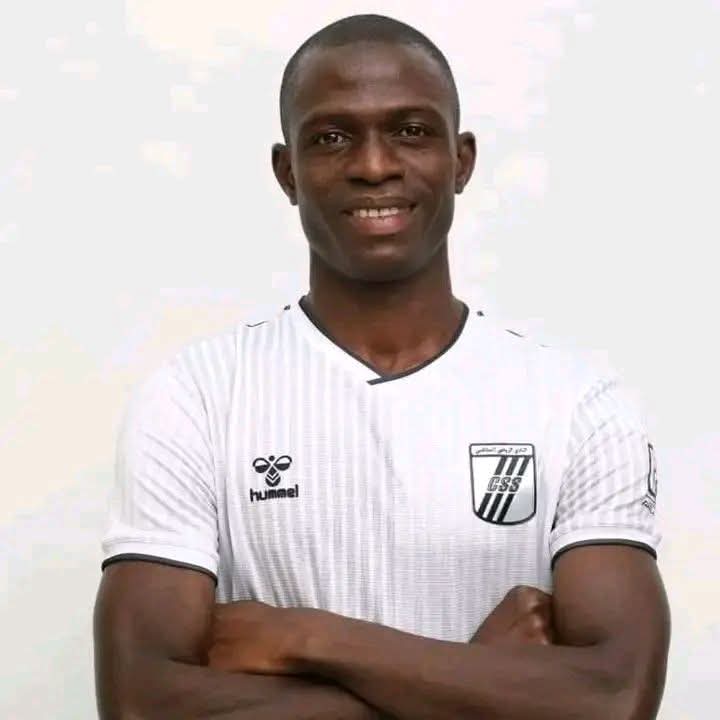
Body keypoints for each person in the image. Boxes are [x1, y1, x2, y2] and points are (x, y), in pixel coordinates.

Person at [94, 13, 670, 719]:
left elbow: (614, 700)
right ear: (287, 172)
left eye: (412, 131)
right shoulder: (197, 399)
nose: (373, 165)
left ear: (461, 161)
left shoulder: (578, 405)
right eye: (332, 137)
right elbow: (140, 705)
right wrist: (476, 675)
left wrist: (306, 637)